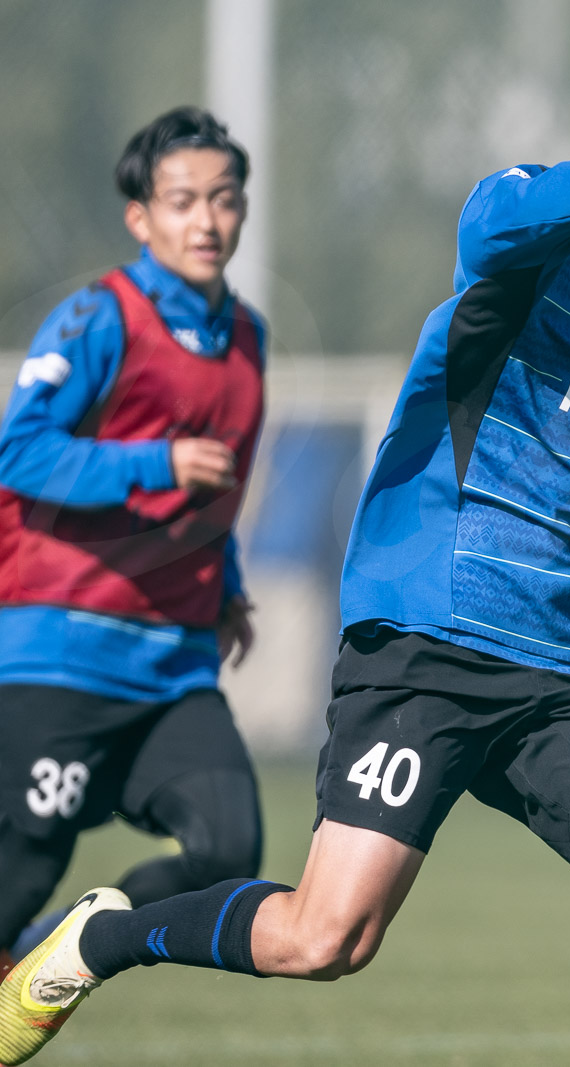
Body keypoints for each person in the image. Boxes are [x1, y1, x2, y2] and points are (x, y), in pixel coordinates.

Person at [0, 24, 570, 1067]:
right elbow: (499, 216)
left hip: (565, 673)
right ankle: (100, 939)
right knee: (324, 938)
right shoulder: (532, 230)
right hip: (428, 644)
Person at [0, 107, 266, 982]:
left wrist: (226, 582)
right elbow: (19, 451)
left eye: (223, 198)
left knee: (226, 851)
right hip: (60, 651)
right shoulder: (100, 316)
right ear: (141, 218)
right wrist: (156, 460)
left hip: (173, 667)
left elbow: (215, 490)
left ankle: (53, 952)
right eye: (183, 201)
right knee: (19, 871)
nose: (206, 220)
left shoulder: (248, 337)